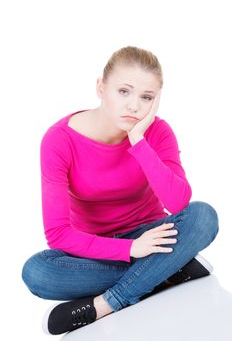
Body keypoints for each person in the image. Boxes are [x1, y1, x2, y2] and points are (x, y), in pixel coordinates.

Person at [21, 45, 219, 335]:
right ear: (101, 87)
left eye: (146, 97)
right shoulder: (59, 140)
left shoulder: (157, 132)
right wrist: (129, 249)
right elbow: (58, 234)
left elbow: (179, 204)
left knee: (204, 216)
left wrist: (139, 142)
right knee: (37, 272)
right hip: (94, 250)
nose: (134, 106)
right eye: (123, 92)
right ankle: (167, 271)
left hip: (153, 237)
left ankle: (109, 302)